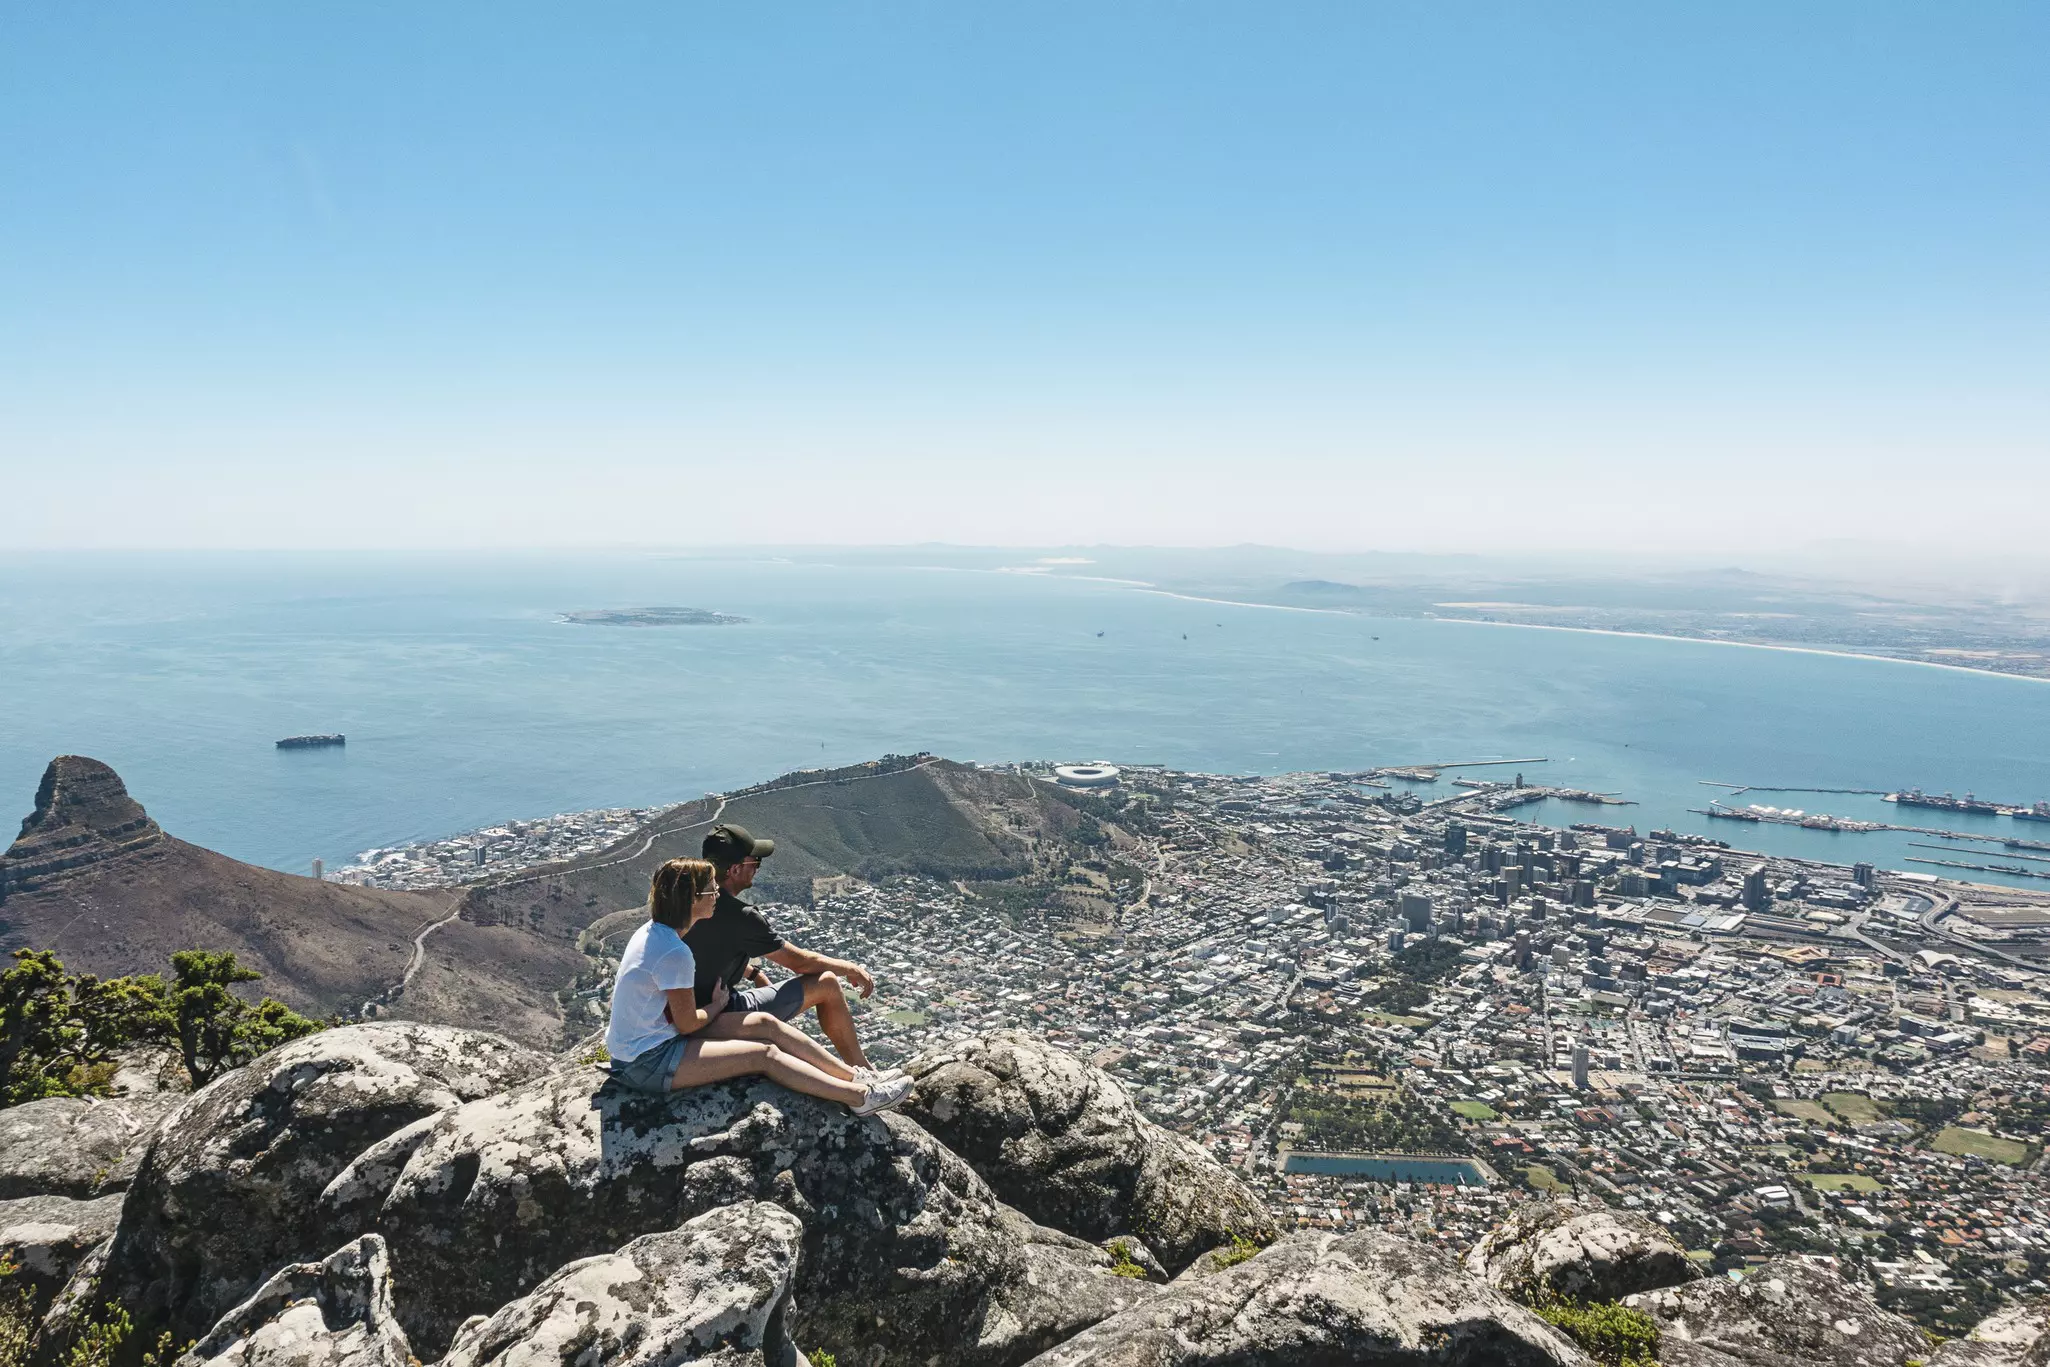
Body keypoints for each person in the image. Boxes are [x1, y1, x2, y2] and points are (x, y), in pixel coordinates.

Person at [604, 856, 913, 1113]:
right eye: (712, 890)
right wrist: (716, 1005)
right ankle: (858, 1098)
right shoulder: (674, 951)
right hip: (647, 1061)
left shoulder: (654, 931)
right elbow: (687, 1025)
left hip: (650, 1041)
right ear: (693, 899)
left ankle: (855, 1076)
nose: (717, 895)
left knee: (765, 1023)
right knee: (763, 1055)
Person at [687, 823, 899, 1079]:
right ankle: (863, 1074)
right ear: (734, 869)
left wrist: (753, 973)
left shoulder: (686, 901)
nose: (757, 868)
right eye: (754, 861)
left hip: (684, 1014)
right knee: (828, 984)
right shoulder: (741, 916)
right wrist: (850, 968)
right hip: (718, 1014)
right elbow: (800, 963)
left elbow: (707, 953)